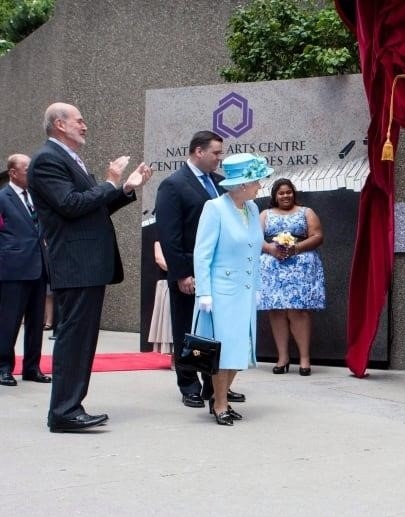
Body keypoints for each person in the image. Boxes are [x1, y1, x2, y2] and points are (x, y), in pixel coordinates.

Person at [27, 102, 153, 432]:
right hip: (75, 263)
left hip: (87, 264)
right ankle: (64, 412)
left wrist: (126, 187)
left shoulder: (68, 160)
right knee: (74, 338)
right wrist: (110, 181)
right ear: (58, 125)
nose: (85, 126)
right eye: (78, 121)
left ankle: (71, 407)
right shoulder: (47, 161)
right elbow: (70, 206)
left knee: (82, 338)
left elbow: (92, 208)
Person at [155, 131, 245, 408]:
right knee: (188, 330)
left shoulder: (221, 184)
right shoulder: (173, 185)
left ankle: (215, 387)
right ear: (198, 151)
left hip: (219, 274)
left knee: (215, 331)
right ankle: (189, 384)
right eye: (216, 153)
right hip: (189, 272)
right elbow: (169, 236)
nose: (220, 158)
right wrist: (182, 273)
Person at [193, 153, 270, 425]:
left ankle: (219, 397)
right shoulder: (214, 208)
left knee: (241, 349)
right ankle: (220, 403)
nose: (261, 185)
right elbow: (202, 253)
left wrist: (258, 286)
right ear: (242, 185)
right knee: (223, 350)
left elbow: (255, 250)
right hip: (221, 292)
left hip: (245, 291)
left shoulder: (251, 209)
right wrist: (204, 291)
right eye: (257, 181)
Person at [258, 178, 325, 376]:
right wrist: (270, 248)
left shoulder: (306, 212)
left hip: (300, 266)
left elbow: (317, 236)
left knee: (298, 311)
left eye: (289, 192)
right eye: (281, 193)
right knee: (277, 311)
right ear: (275, 196)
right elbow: (254, 237)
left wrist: (295, 248)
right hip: (273, 267)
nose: (285, 196)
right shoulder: (265, 214)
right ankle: (283, 357)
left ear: (293, 193)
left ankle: (304, 358)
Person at [0, 153, 50, 387]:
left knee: (36, 321)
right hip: (13, 269)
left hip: (39, 267)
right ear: (13, 173)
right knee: (9, 321)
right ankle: (3, 367)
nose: (32, 173)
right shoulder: (3, 197)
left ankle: (32, 367)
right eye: (28, 169)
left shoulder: (36, 197)